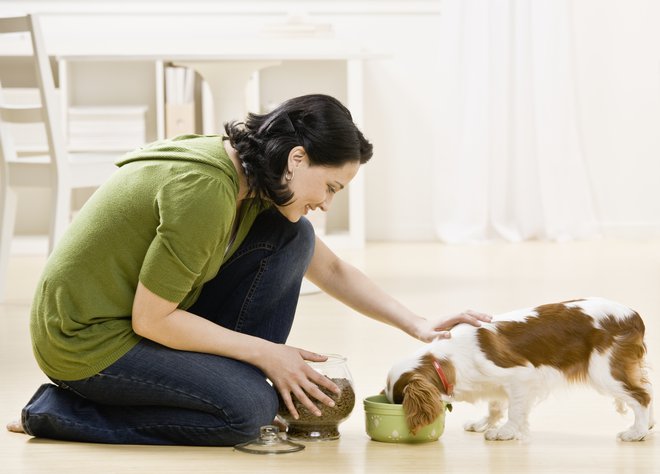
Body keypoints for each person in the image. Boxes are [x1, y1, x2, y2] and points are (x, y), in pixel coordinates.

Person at [7, 94, 490, 446]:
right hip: (87, 342)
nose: (325, 202)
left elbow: (334, 270)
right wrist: (268, 354)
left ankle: (233, 380)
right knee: (246, 415)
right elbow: (151, 320)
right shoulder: (205, 190)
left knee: (294, 235)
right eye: (331, 187)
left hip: (141, 319)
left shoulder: (256, 177)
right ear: (298, 158)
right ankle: (57, 412)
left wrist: (418, 325)